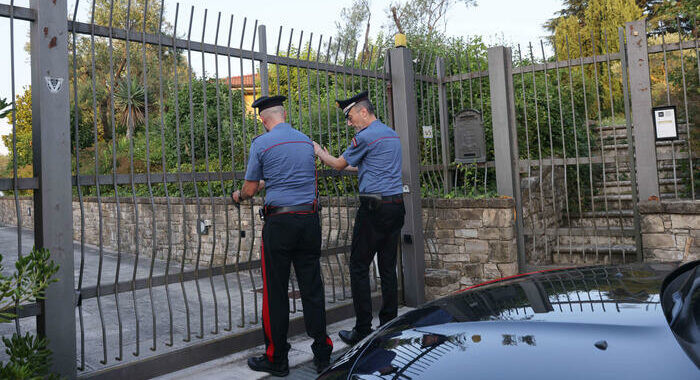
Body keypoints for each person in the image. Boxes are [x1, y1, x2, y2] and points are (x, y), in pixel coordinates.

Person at [233, 95, 333, 376]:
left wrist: (238, 195)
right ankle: (323, 353)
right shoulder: (304, 140)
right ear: (284, 114)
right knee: (312, 288)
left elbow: (250, 190)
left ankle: (277, 359)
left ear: (264, 120)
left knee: (275, 292)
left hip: (280, 224)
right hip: (309, 220)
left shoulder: (261, 143)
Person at [313, 91, 405, 345]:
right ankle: (389, 323)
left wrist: (320, 152)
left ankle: (363, 329)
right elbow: (366, 165)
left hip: (374, 208)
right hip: (396, 205)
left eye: (351, 116)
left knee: (358, 266)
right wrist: (339, 161)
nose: (350, 122)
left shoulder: (364, 137)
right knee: (387, 267)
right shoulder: (390, 134)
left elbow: (339, 165)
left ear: (364, 111)